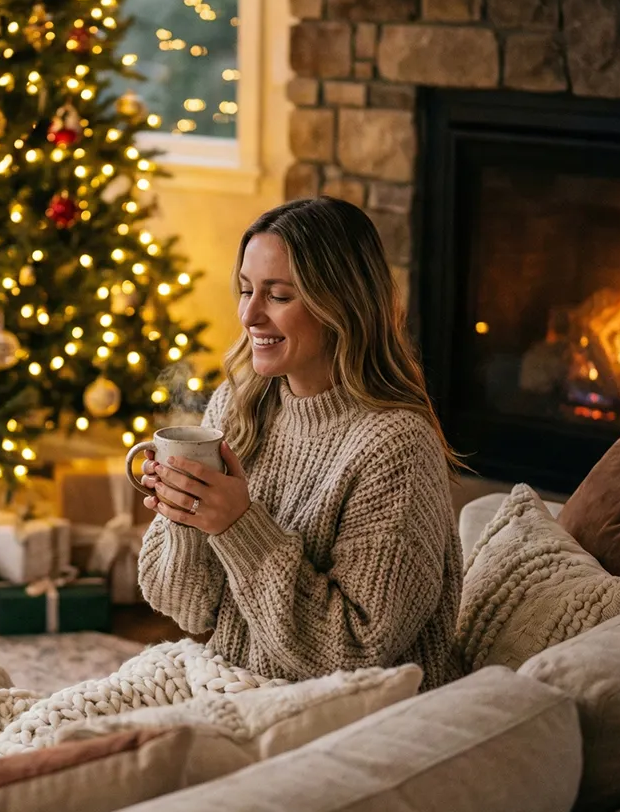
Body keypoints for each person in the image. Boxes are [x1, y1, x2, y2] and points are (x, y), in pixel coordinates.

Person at [138, 197, 463, 690]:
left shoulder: (395, 446)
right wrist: (185, 512)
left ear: (342, 305)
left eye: (279, 296)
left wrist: (239, 526)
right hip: (232, 686)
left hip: (343, 720)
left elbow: (355, 651)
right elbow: (185, 607)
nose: (249, 315)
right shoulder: (237, 405)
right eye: (246, 290)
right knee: (28, 731)